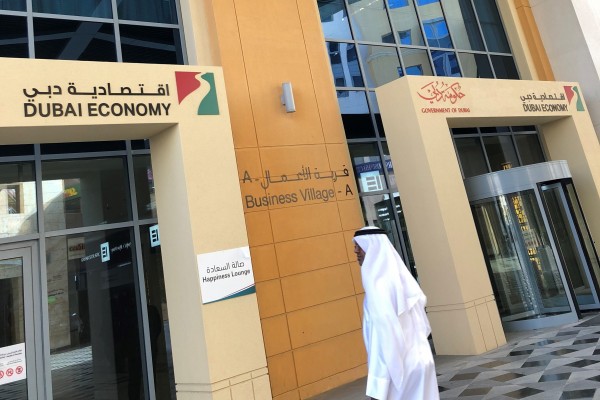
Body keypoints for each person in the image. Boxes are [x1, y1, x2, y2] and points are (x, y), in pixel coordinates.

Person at [353, 226, 439, 400]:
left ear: (372, 247)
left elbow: (385, 338)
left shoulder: (378, 287)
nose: (355, 251)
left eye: (359, 246)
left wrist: (379, 385)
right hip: (421, 361)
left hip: (400, 371)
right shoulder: (401, 280)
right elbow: (422, 326)